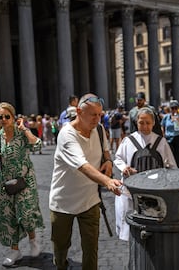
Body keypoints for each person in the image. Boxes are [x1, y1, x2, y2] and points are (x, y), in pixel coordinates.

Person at [49, 93, 122, 270]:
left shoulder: (98, 129)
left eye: (100, 114)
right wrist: (107, 181)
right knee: (60, 248)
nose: (98, 119)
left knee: (91, 248)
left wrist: (108, 162)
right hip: (63, 202)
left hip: (90, 201)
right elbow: (83, 165)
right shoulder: (67, 135)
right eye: (93, 115)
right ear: (79, 111)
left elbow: (106, 150)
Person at [0, 102, 44, 266]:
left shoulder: (21, 135)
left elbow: (37, 145)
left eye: (7, 116)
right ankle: (15, 251)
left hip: (24, 182)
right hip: (3, 184)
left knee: (26, 214)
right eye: (1, 117)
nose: (4, 119)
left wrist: (25, 129)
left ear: (14, 117)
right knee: (9, 218)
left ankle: (33, 240)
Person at [114, 107, 177, 241]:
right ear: (136, 122)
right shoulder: (128, 141)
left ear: (153, 123)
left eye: (148, 123)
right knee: (131, 229)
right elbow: (118, 158)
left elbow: (171, 165)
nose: (144, 126)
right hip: (131, 192)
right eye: (141, 122)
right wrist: (124, 167)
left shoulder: (161, 142)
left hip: (154, 192)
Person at [161, 100, 179, 168]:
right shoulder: (166, 117)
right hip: (168, 139)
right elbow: (162, 127)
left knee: (177, 158)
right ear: (170, 109)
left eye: (175, 108)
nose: (174, 110)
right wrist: (163, 137)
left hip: (178, 138)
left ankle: (178, 173)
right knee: (168, 158)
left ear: (178, 108)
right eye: (172, 108)